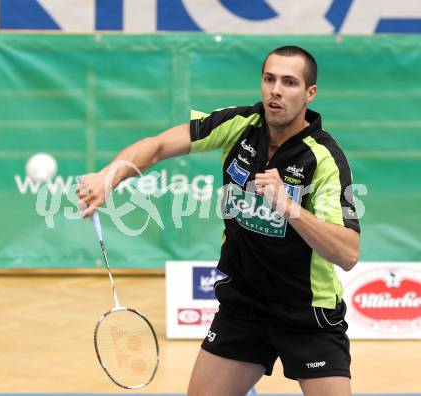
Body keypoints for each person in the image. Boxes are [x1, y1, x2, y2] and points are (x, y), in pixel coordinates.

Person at [76, 45, 360, 396]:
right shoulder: (238, 125)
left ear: (309, 93)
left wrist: (290, 208)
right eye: (269, 79)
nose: (276, 90)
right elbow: (159, 146)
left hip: (307, 312)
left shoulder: (325, 158)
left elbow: (348, 253)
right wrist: (109, 176)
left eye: (289, 82)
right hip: (244, 305)